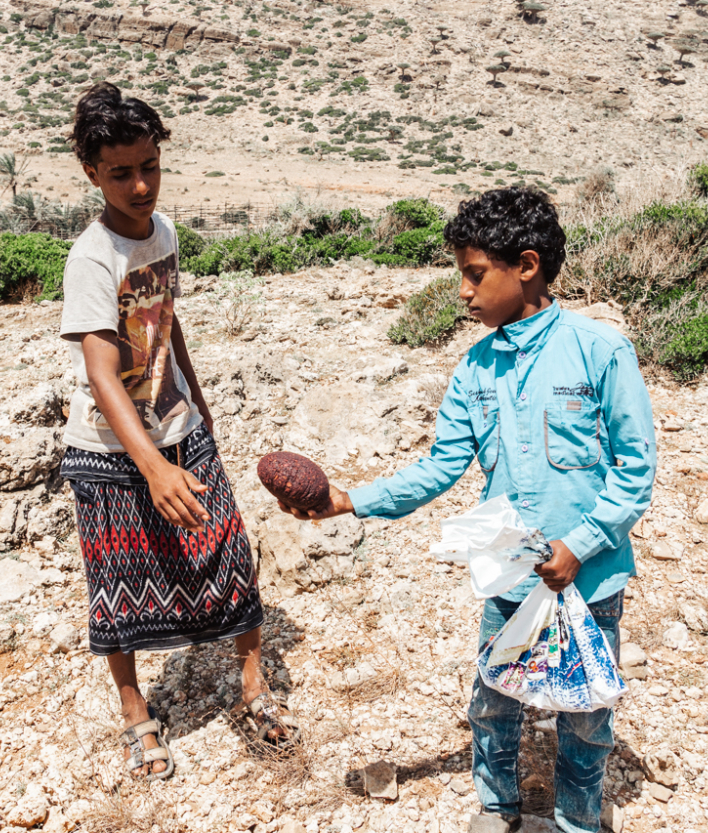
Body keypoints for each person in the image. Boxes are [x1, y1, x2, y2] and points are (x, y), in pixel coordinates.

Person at [279, 187, 656, 833]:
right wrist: (350, 500)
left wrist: (583, 543)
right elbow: (439, 465)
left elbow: (636, 468)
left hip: (591, 577)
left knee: (586, 714)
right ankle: (497, 808)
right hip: (509, 572)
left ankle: (578, 819)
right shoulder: (474, 369)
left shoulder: (600, 350)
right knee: (495, 700)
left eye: (475, 272)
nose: (462, 290)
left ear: (527, 265)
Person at [59, 82, 298, 781]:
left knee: (226, 544)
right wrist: (153, 468)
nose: (140, 184)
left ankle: (254, 687)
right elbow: (101, 371)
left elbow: (166, 317)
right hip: (110, 450)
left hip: (179, 423)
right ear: (92, 174)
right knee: (118, 580)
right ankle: (137, 712)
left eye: (150, 166)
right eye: (121, 172)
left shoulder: (161, 234)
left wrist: (197, 396)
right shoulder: (91, 258)